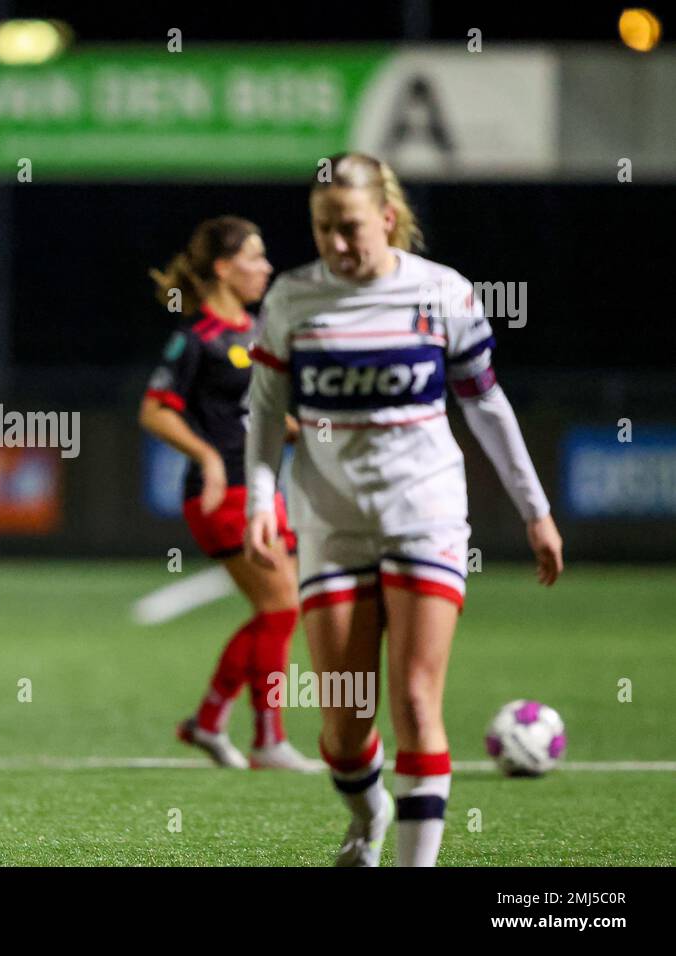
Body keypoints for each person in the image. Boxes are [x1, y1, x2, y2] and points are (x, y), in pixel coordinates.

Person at [244, 152, 563, 866]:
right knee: (344, 728)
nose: (337, 243)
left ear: (386, 218)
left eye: (351, 226)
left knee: (417, 701)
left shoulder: (441, 292)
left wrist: (534, 510)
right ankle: (370, 808)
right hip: (331, 526)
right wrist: (262, 500)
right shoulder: (292, 299)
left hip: (426, 516)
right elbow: (264, 412)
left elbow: (485, 405)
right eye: (324, 229)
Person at [141, 217, 320, 772]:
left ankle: (210, 721)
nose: (267, 267)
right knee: (281, 606)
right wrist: (209, 456)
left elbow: (253, 414)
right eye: (255, 256)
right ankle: (265, 739)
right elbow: (153, 410)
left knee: (279, 610)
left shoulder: (257, 330)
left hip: (262, 490)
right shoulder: (197, 337)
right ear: (224, 267)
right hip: (223, 496)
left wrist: (303, 430)